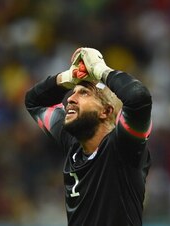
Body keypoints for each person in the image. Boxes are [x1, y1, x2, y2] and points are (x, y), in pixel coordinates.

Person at [25, 47, 152, 226]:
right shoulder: (74, 144)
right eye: (72, 91)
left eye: (84, 93)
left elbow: (138, 98)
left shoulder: (124, 147)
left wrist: (100, 70)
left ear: (106, 111)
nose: (70, 98)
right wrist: (70, 77)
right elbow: (33, 101)